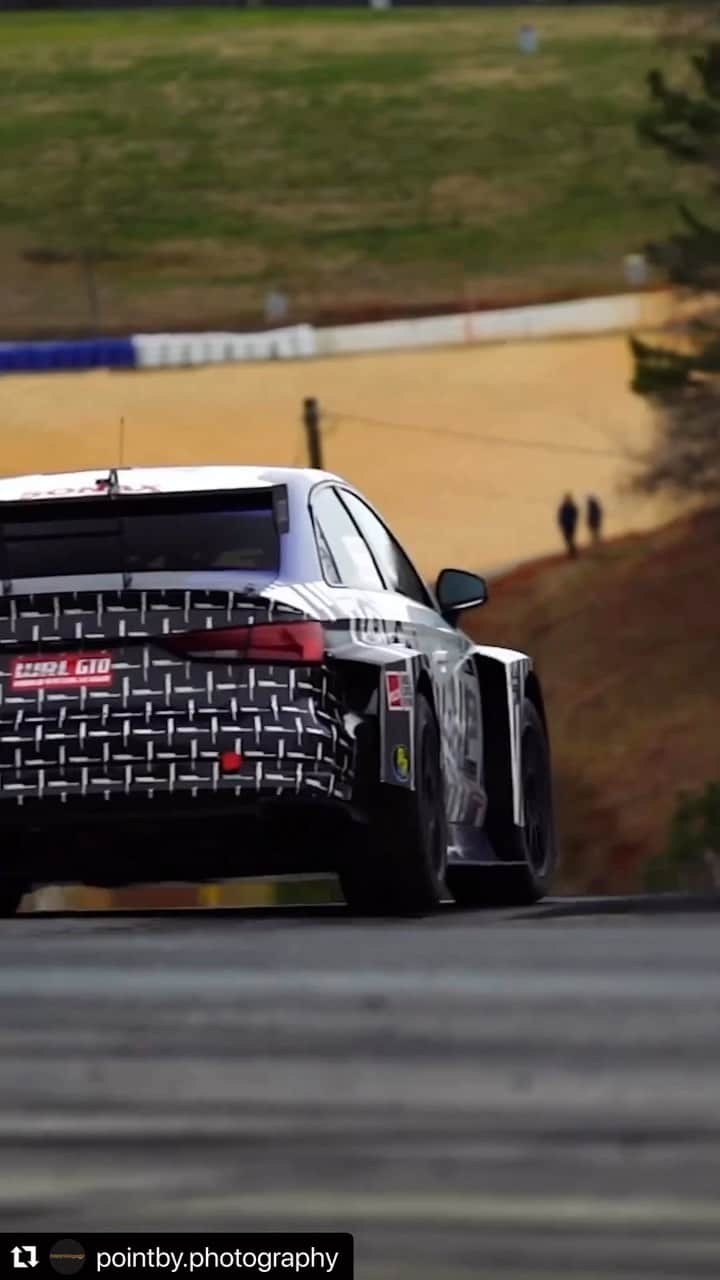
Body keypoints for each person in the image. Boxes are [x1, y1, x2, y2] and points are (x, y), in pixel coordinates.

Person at [557, 493, 579, 558]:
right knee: (567, 539)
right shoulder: (563, 506)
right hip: (565, 525)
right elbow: (560, 516)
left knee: (571, 539)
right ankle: (571, 552)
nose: (566, 499)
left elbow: (576, 515)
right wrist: (560, 523)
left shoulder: (572, 506)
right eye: (566, 498)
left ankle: (573, 553)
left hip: (571, 525)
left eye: (568, 498)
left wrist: (572, 522)